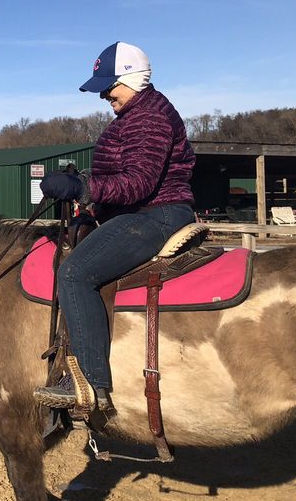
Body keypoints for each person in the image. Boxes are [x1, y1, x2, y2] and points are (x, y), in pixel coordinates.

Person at [33, 41, 196, 411]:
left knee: (75, 273)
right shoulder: (135, 114)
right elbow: (121, 173)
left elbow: (139, 182)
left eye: (110, 86)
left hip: (156, 214)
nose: (104, 94)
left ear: (134, 79)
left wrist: (85, 188)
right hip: (139, 212)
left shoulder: (148, 117)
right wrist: (87, 190)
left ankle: (90, 385)